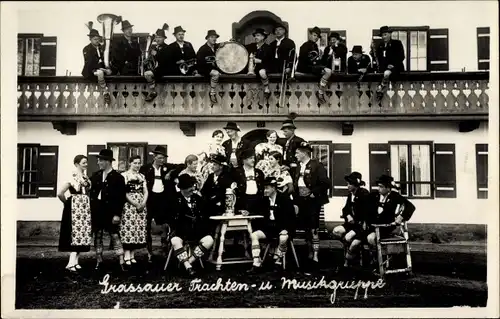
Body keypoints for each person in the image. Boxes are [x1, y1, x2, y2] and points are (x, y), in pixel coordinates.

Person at [139, 146, 184, 261]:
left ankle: (165, 247)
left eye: (163, 158)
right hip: (150, 198)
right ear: (154, 157)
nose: (162, 161)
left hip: (163, 199)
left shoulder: (166, 167)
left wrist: (171, 173)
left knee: (166, 223)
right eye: (159, 158)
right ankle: (149, 251)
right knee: (147, 224)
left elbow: (182, 165)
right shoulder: (145, 168)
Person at [248, 177, 297, 273]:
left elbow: (291, 218)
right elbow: (255, 209)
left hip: (283, 227)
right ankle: (256, 263)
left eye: (267, 188)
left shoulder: (284, 199)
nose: (265, 191)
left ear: (274, 188)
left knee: (283, 238)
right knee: (254, 235)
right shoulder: (264, 199)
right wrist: (248, 212)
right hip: (269, 228)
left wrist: (286, 229)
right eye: (264, 188)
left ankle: (277, 262)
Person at [293, 142, 330, 266]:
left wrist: (314, 193)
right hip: (301, 200)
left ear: (304, 153)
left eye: (297, 152)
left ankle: (315, 255)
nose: (295, 155)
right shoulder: (298, 166)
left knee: (313, 227)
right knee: (306, 228)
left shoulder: (317, 165)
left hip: (312, 201)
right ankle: (309, 251)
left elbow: (326, 183)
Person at [89, 149, 127, 271]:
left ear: (107, 161)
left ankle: (121, 261)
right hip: (97, 210)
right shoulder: (96, 176)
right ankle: (99, 261)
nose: (98, 162)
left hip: (111, 212)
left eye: (100, 160)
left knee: (115, 235)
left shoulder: (118, 177)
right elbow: (90, 190)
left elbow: (121, 198)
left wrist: (117, 214)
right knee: (98, 236)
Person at [170, 174, 214, 277]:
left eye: (192, 186)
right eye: (189, 187)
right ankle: (188, 267)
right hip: (181, 232)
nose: (192, 189)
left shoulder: (197, 199)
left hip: (196, 232)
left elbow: (206, 212)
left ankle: (189, 262)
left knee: (209, 240)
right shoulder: (174, 199)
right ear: (182, 188)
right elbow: (172, 219)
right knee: (175, 241)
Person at [57, 155, 92, 273]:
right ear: (77, 164)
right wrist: (67, 204)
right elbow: (60, 193)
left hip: (84, 208)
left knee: (82, 234)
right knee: (75, 234)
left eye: (86, 162)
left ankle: (76, 261)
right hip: (75, 207)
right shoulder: (72, 176)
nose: (86, 164)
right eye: (83, 163)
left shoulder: (85, 177)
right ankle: (70, 263)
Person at [365, 174, 415, 253]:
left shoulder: (394, 196)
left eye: (381, 187)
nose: (378, 189)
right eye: (378, 186)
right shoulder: (374, 196)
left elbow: (410, 207)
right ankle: (371, 257)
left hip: (386, 228)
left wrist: (401, 217)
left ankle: (379, 257)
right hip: (372, 227)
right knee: (356, 237)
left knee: (371, 238)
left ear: (388, 188)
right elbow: (364, 207)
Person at [332, 172, 370, 268]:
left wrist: (356, 219)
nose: (347, 186)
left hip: (361, 226)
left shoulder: (364, 194)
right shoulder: (350, 195)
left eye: (349, 184)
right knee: (336, 231)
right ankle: (352, 249)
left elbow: (366, 212)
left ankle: (350, 255)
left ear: (356, 185)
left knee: (348, 237)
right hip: (350, 224)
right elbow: (345, 209)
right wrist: (348, 215)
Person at [119, 156, 148, 268]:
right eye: (135, 163)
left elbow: (145, 191)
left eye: (139, 163)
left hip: (141, 204)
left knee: (137, 228)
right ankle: (127, 255)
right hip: (129, 204)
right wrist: (135, 204)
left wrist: (143, 203)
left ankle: (132, 255)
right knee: (129, 228)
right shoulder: (124, 175)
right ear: (130, 163)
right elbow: (124, 193)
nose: (137, 165)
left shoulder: (142, 176)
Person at [297, 27, 332, 104]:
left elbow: (316, 59)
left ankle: (320, 91)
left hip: (312, 66)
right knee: (328, 72)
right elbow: (304, 59)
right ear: (310, 35)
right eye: (314, 35)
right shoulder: (305, 46)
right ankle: (320, 92)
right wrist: (316, 64)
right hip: (305, 67)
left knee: (328, 70)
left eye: (317, 36)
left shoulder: (315, 46)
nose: (316, 38)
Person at [81, 28, 112, 105]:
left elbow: (104, 60)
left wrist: (107, 68)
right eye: (95, 39)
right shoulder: (86, 49)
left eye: (98, 39)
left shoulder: (101, 48)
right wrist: (103, 69)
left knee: (110, 72)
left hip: (100, 68)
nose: (97, 41)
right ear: (90, 39)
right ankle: (105, 93)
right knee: (100, 72)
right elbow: (90, 63)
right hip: (90, 70)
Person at [232, 149, 265, 216]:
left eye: (253, 158)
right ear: (244, 160)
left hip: (257, 201)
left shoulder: (259, 172)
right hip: (243, 201)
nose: (253, 160)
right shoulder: (236, 172)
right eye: (250, 158)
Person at [374, 26, 405, 99]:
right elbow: (379, 59)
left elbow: (401, 56)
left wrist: (393, 65)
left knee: (387, 74)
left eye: (385, 34)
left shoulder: (397, 43)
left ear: (390, 34)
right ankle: (380, 92)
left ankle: (381, 89)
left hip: (396, 68)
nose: (383, 37)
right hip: (384, 68)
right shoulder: (380, 46)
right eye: (382, 35)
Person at [144, 28, 170, 102]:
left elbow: (166, 61)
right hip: (157, 69)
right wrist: (147, 61)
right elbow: (152, 60)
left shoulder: (167, 48)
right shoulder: (154, 48)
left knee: (147, 74)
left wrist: (156, 55)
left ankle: (153, 91)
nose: (158, 39)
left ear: (164, 38)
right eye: (157, 37)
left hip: (163, 70)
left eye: (160, 37)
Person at [196, 29, 221, 104]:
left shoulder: (216, 47)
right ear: (207, 38)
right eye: (212, 37)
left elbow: (219, 44)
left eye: (215, 37)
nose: (214, 39)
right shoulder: (202, 49)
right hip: (204, 69)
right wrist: (211, 63)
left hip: (213, 68)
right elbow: (199, 62)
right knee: (216, 73)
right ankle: (212, 93)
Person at [246, 28, 272, 98]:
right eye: (255, 36)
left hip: (264, 67)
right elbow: (242, 47)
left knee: (262, 72)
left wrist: (260, 61)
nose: (255, 37)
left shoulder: (268, 48)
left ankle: (267, 89)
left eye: (258, 35)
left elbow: (271, 61)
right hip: (252, 69)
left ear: (263, 37)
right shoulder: (251, 46)